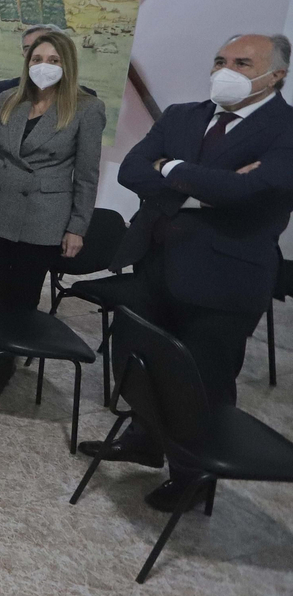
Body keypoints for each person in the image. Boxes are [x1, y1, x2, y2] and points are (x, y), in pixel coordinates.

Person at [82, 33, 293, 514]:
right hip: (156, 262)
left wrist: (171, 168)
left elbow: (252, 191)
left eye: (243, 63)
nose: (227, 70)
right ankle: (143, 438)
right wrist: (207, 187)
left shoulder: (286, 129)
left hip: (223, 279)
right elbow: (132, 171)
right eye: (220, 60)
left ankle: (193, 472)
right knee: (144, 361)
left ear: (277, 74)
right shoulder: (183, 115)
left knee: (202, 379)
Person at [0, 29, 106, 396]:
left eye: (54, 61)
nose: (44, 67)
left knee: (21, 293)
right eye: (37, 60)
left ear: (67, 65)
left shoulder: (86, 108)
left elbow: (87, 174)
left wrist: (77, 227)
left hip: (42, 214)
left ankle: (4, 361)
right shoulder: (11, 98)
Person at [0, 24, 99, 141]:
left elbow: (85, 154)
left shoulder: (85, 101)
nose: (37, 50)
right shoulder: (5, 91)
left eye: (52, 58)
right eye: (28, 48)